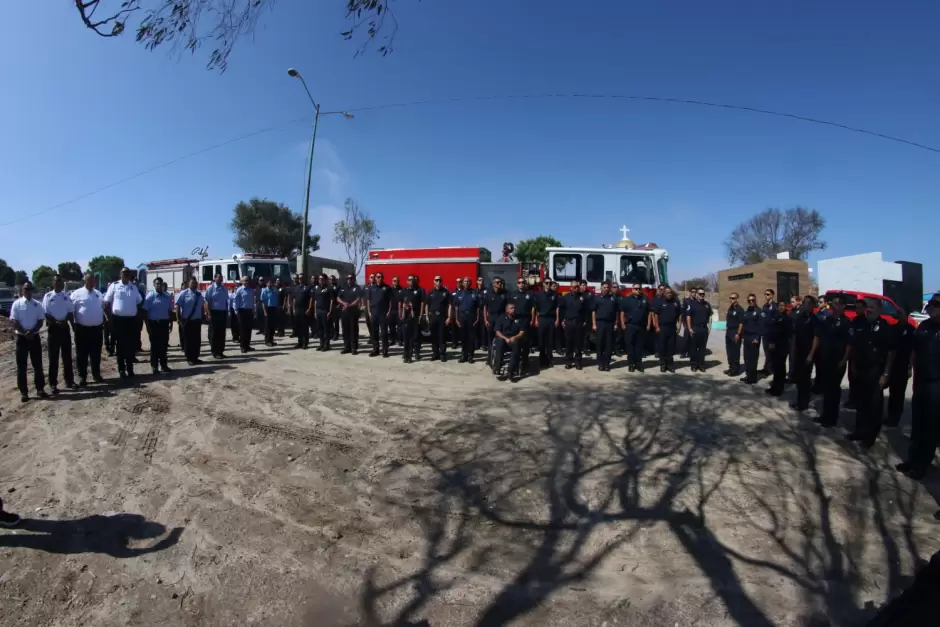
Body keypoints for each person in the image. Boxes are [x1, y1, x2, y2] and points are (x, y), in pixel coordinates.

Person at [896, 297, 940, 479]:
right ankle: (912, 459)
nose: (931, 307)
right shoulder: (925, 326)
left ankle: (922, 464)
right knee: (918, 423)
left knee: (930, 426)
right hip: (921, 380)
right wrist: (911, 368)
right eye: (931, 303)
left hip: (936, 383)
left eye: (936, 304)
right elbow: (915, 350)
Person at [845, 298, 896, 448]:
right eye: (869, 307)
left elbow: (891, 352)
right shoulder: (860, 324)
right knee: (861, 402)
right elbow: (854, 346)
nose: (869, 310)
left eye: (873, 307)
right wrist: (853, 365)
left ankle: (870, 436)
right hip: (860, 368)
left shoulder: (885, 327)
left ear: (879, 310)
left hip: (876, 370)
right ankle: (859, 431)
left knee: (874, 405)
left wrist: (886, 373)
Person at [810, 295, 851, 428]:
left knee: (834, 389)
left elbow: (849, 345)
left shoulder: (846, 322)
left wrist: (844, 360)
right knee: (826, 389)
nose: (833, 306)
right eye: (832, 303)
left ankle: (832, 418)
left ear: (843, 306)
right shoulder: (827, 320)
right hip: (826, 359)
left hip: (838, 361)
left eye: (836, 304)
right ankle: (825, 415)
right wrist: (813, 354)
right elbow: (818, 337)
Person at [11, 281, 47, 401]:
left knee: (38, 365)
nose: (28, 291)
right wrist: (25, 332)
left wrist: (32, 332)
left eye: (30, 289)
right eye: (26, 289)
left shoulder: (37, 304)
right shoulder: (17, 304)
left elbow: (41, 321)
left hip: (34, 338)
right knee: (22, 367)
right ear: (22, 290)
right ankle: (24, 392)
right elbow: (14, 321)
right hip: (22, 338)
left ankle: (40, 389)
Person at [104, 267, 143, 379]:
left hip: (131, 320)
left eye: (127, 273)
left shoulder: (133, 287)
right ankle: (121, 369)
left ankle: (130, 368)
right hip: (118, 320)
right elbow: (107, 302)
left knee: (130, 346)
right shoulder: (114, 286)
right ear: (120, 274)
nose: (126, 275)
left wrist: (138, 316)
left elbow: (139, 302)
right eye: (124, 273)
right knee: (120, 346)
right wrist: (109, 319)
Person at [42, 275, 77, 394]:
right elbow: (45, 313)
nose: (58, 283)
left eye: (60, 281)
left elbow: (70, 311)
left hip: (64, 328)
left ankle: (69, 381)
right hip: (53, 329)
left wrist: (66, 321)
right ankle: (53, 384)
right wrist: (56, 322)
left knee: (67, 357)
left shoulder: (66, 296)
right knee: (53, 358)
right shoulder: (48, 296)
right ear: (52, 283)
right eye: (56, 281)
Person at [70, 272, 105, 386]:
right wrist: (74, 326)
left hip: (96, 329)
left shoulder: (98, 294)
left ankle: (96, 374)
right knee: (82, 355)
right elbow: (71, 311)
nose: (91, 282)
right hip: (82, 330)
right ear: (85, 281)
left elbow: (102, 309)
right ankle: (82, 377)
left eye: (93, 280)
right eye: (89, 280)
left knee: (96, 354)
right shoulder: (76, 294)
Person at [885, 307, 915, 427]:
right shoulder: (893, 328)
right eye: (898, 312)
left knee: (899, 393)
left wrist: (910, 367)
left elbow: (913, 350)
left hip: (903, 365)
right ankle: (890, 415)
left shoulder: (911, 330)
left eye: (901, 312)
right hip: (892, 363)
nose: (899, 314)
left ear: (907, 315)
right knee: (892, 392)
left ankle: (895, 417)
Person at [788, 295, 817, 411]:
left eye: (807, 303)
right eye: (804, 303)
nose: (805, 305)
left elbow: (816, 338)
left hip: (808, 353)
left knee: (805, 378)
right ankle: (799, 401)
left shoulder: (814, 319)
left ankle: (803, 403)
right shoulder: (800, 317)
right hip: (799, 351)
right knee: (799, 379)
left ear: (812, 305)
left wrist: (811, 354)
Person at [143, 278, 173, 374]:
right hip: (154, 324)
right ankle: (154, 366)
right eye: (157, 284)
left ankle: (164, 365)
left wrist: (171, 323)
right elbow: (145, 312)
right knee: (155, 346)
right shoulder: (150, 296)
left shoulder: (167, 297)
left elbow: (169, 311)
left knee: (164, 345)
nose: (158, 285)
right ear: (154, 285)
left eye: (160, 284)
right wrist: (147, 326)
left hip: (164, 324)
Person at [492, 302, 526, 381]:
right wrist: (505, 338)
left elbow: (522, 332)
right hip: (503, 338)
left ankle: (511, 371)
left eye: (514, 308)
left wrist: (515, 337)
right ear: (507, 310)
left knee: (517, 345)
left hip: (513, 339)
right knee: (499, 343)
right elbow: (497, 331)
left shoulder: (519, 319)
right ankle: (498, 368)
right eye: (511, 308)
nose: (514, 310)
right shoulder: (501, 317)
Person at [765, 300, 792, 396]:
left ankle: (779, 389)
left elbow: (787, 333)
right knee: (775, 368)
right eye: (780, 305)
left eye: (783, 305)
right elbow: (771, 330)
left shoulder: (787, 318)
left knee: (780, 368)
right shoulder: (775, 317)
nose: (781, 307)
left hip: (782, 346)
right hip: (774, 346)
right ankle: (774, 387)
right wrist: (771, 342)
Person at [176, 277, 205, 365]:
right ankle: (189, 358)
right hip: (187, 320)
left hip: (197, 321)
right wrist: (178, 319)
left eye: (195, 283)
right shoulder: (183, 293)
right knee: (188, 340)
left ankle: (195, 357)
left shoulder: (199, 295)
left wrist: (202, 317)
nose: (194, 284)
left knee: (196, 340)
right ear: (188, 284)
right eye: (192, 283)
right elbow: (177, 306)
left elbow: (202, 306)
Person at [620, 283, 649, 372]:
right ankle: (631, 364)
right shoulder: (627, 300)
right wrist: (623, 325)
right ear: (632, 289)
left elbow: (649, 313)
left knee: (639, 346)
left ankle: (638, 364)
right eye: (636, 289)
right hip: (630, 326)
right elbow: (622, 313)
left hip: (641, 326)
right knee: (630, 346)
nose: (638, 290)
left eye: (639, 288)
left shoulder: (645, 299)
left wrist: (648, 324)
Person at [510, 278, 535, 376]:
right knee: (516, 341)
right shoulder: (513, 294)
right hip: (515, 320)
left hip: (526, 320)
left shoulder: (530, 294)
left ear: (525, 284)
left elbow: (533, 308)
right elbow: (509, 307)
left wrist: (532, 320)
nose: (521, 284)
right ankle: (514, 362)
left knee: (525, 342)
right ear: (517, 284)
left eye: (523, 282)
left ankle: (524, 362)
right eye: (519, 282)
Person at [654, 286, 682, 373]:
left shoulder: (676, 302)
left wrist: (680, 325)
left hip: (672, 328)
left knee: (671, 347)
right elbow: (656, 315)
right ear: (664, 293)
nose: (669, 294)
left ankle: (670, 365)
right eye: (667, 293)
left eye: (670, 292)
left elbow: (680, 314)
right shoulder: (660, 302)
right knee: (662, 347)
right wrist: (657, 326)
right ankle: (663, 365)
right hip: (663, 328)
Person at [453, 277, 481, 363]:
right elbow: (456, 307)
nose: (467, 282)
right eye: (465, 281)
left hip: (471, 318)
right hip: (462, 318)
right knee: (463, 337)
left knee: (471, 338)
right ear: (463, 283)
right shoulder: (459, 293)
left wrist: (477, 318)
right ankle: (463, 355)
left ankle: (470, 356)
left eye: (469, 281)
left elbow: (478, 308)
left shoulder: (475, 293)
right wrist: (457, 319)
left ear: (471, 283)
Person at [685, 288, 713, 372]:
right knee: (693, 348)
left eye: (703, 294)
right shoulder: (691, 304)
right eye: (700, 294)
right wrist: (690, 328)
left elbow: (710, 316)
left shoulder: (707, 304)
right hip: (695, 328)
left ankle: (701, 365)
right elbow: (688, 317)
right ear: (696, 294)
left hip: (704, 328)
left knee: (702, 348)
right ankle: (693, 365)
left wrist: (709, 327)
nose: (702, 295)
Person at [534, 278, 560, 369]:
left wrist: (557, 319)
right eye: (546, 283)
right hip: (542, 318)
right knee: (541, 340)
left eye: (550, 283)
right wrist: (536, 320)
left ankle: (550, 359)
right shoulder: (538, 295)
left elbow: (557, 308)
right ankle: (542, 360)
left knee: (550, 340)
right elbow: (536, 308)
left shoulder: (555, 294)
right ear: (543, 284)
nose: (548, 284)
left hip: (551, 319)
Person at [592, 281, 618, 372]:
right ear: (601, 287)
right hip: (600, 323)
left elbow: (616, 312)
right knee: (599, 344)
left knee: (609, 344)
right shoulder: (597, 298)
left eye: (607, 287)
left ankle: (607, 364)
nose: (606, 289)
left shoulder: (613, 298)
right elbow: (593, 312)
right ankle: (600, 363)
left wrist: (616, 323)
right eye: (604, 287)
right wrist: (594, 324)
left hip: (610, 323)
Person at [367, 272, 394, 358]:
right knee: (374, 332)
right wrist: (369, 312)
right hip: (374, 313)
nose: (379, 278)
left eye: (381, 277)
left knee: (384, 333)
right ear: (375, 278)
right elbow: (368, 300)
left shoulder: (387, 288)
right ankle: (375, 349)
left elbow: (390, 300)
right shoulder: (371, 288)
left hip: (383, 313)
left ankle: (385, 351)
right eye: (378, 277)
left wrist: (389, 311)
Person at [482, 277, 508, 366]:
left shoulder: (505, 293)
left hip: (501, 319)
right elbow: (485, 307)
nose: (499, 284)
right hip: (491, 318)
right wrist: (485, 319)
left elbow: (507, 308)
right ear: (493, 284)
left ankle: (499, 359)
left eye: (500, 282)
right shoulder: (488, 293)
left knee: (500, 340)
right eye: (497, 282)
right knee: (490, 341)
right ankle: (489, 359)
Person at [399, 275, 425, 363]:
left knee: (413, 338)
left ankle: (410, 356)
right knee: (405, 337)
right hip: (405, 317)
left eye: (412, 280)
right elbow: (401, 302)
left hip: (414, 317)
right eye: (409, 279)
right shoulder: (404, 291)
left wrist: (420, 315)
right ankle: (405, 355)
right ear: (407, 281)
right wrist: (402, 312)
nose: (411, 281)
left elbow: (422, 303)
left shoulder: (419, 290)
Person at [561, 280, 585, 370]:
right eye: (574, 287)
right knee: (569, 343)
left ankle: (578, 362)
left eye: (577, 287)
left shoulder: (582, 297)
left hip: (579, 322)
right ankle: (568, 362)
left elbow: (586, 310)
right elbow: (562, 310)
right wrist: (562, 320)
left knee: (578, 344)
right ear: (570, 288)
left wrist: (585, 321)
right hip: (569, 322)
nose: (576, 288)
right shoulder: (565, 297)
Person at [426, 276, 451, 361]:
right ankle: (435, 353)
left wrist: (449, 317)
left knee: (442, 336)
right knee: (434, 337)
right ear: (434, 281)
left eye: (440, 280)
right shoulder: (430, 292)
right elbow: (427, 304)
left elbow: (450, 305)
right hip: (433, 317)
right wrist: (426, 316)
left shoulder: (446, 292)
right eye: (436, 280)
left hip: (442, 317)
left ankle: (442, 354)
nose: (438, 281)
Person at [205, 273, 230, 359]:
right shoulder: (211, 288)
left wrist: (227, 312)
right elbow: (207, 302)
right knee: (214, 333)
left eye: (221, 277)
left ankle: (220, 351)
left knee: (222, 333)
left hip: (222, 312)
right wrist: (208, 313)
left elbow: (226, 301)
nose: (221, 279)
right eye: (219, 277)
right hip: (214, 312)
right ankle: (215, 351)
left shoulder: (224, 288)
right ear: (214, 278)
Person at [337, 274, 363, 354]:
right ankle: (346, 347)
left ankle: (354, 348)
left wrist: (349, 305)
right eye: (348, 278)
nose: (349, 279)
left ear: (354, 279)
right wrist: (344, 303)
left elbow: (358, 299)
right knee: (345, 330)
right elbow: (338, 298)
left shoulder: (357, 288)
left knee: (353, 330)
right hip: (344, 313)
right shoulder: (343, 288)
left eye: (351, 278)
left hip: (353, 312)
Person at [740, 294, 763, 384]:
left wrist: (757, 337)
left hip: (754, 337)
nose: (751, 302)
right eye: (749, 300)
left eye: (753, 300)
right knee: (746, 358)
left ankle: (752, 378)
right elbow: (744, 325)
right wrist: (742, 337)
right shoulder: (746, 312)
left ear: (755, 300)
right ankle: (748, 375)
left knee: (753, 358)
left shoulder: (758, 311)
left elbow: (761, 326)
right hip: (746, 337)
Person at [233, 276, 257, 354]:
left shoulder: (251, 290)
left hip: (249, 311)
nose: (246, 282)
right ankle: (243, 346)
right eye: (245, 280)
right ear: (242, 281)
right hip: (242, 311)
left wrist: (254, 310)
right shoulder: (239, 290)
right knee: (243, 330)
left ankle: (247, 345)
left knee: (248, 329)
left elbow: (252, 301)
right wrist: (236, 310)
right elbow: (235, 301)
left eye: (247, 280)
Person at [724, 292, 744, 377]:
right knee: (729, 351)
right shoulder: (730, 308)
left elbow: (741, 323)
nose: (731, 300)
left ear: (737, 299)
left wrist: (738, 333)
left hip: (735, 332)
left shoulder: (740, 309)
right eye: (730, 298)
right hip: (729, 332)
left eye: (733, 298)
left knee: (735, 352)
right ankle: (731, 367)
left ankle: (735, 370)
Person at [313, 274, 334, 351]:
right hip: (318, 311)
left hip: (325, 311)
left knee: (326, 329)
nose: (320, 280)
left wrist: (330, 311)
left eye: (322, 279)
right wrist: (315, 311)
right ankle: (321, 344)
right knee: (320, 329)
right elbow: (315, 301)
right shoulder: (317, 288)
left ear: (325, 280)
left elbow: (332, 301)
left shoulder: (329, 288)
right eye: (319, 279)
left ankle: (326, 345)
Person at [290, 274, 311, 350]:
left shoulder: (308, 287)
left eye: (302, 278)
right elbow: (294, 298)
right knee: (298, 327)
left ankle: (305, 343)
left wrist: (309, 309)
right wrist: (293, 308)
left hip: (304, 309)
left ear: (304, 279)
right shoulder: (296, 288)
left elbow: (311, 299)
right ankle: (300, 342)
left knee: (304, 327)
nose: (300, 279)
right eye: (299, 278)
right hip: (297, 309)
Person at [759, 288, 776, 375]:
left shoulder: (775, 306)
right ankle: (766, 367)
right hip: (765, 333)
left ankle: (770, 369)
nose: (766, 296)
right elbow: (763, 319)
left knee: (771, 352)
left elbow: (775, 321)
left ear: (772, 295)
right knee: (766, 351)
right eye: (765, 294)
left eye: (768, 294)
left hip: (772, 334)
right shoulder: (764, 306)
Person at [260, 278, 281, 347]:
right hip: (268, 309)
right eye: (269, 283)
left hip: (274, 309)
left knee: (273, 326)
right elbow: (263, 302)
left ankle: (271, 340)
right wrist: (265, 311)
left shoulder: (274, 290)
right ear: (266, 283)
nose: (271, 284)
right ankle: (267, 340)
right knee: (268, 326)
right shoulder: (264, 291)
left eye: (271, 283)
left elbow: (276, 300)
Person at [388, 276, 403, 346]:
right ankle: (392, 340)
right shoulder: (389, 290)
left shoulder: (402, 289)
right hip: (391, 311)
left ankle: (400, 340)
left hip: (399, 311)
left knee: (400, 327)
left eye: (397, 281)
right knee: (391, 327)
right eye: (394, 281)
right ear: (392, 281)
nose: (395, 282)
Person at [329, 276, 341, 340]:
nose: (332, 280)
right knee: (330, 320)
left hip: (336, 305)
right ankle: (331, 333)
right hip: (329, 306)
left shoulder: (338, 287)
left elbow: (341, 296)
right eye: (330, 279)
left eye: (333, 279)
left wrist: (339, 304)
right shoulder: (328, 287)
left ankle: (336, 334)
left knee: (336, 321)